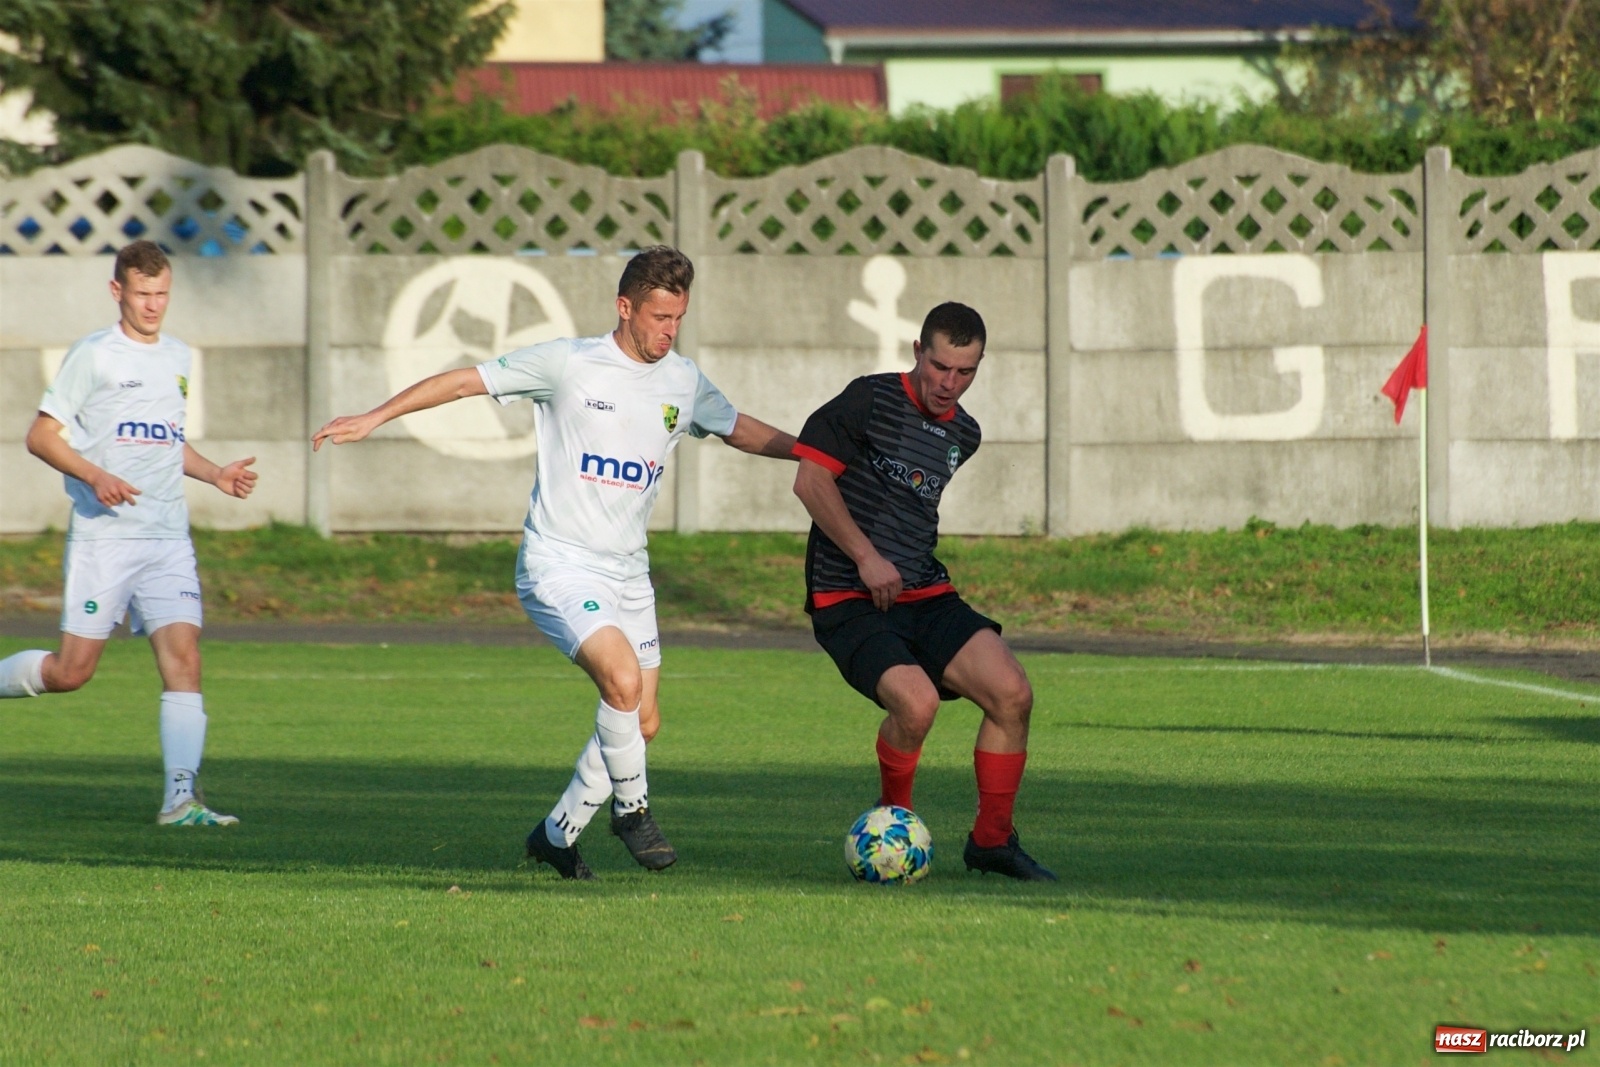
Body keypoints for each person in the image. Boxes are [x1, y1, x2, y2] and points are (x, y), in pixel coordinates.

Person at [312, 245, 796, 880]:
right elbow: (465, 379)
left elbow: (736, 427)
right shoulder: (568, 364)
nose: (669, 330)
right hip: (559, 564)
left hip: (630, 572)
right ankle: (633, 810)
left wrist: (811, 455)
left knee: (641, 722)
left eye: (678, 317)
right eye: (658, 316)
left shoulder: (683, 379)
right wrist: (376, 416)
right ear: (625, 308)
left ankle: (556, 836)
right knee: (620, 683)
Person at [791, 301, 1056, 881]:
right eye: (940, 367)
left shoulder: (965, 433)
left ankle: (992, 843)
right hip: (848, 596)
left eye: (966, 372)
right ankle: (897, 826)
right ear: (918, 352)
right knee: (917, 703)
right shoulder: (869, 400)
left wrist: (898, 564)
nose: (950, 383)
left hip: (924, 593)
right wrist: (865, 558)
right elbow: (810, 480)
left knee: (1012, 695)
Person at [0, 240, 259, 826]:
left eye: (162, 294)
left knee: (184, 656)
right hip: (106, 539)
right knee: (72, 673)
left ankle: (180, 800)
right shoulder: (94, 355)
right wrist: (96, 476)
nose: (153, 305)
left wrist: (215, 473)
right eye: (142, 294)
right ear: (118, 291)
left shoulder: (178, 356)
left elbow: (166, 441)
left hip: (167, 537)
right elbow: (42, 437)